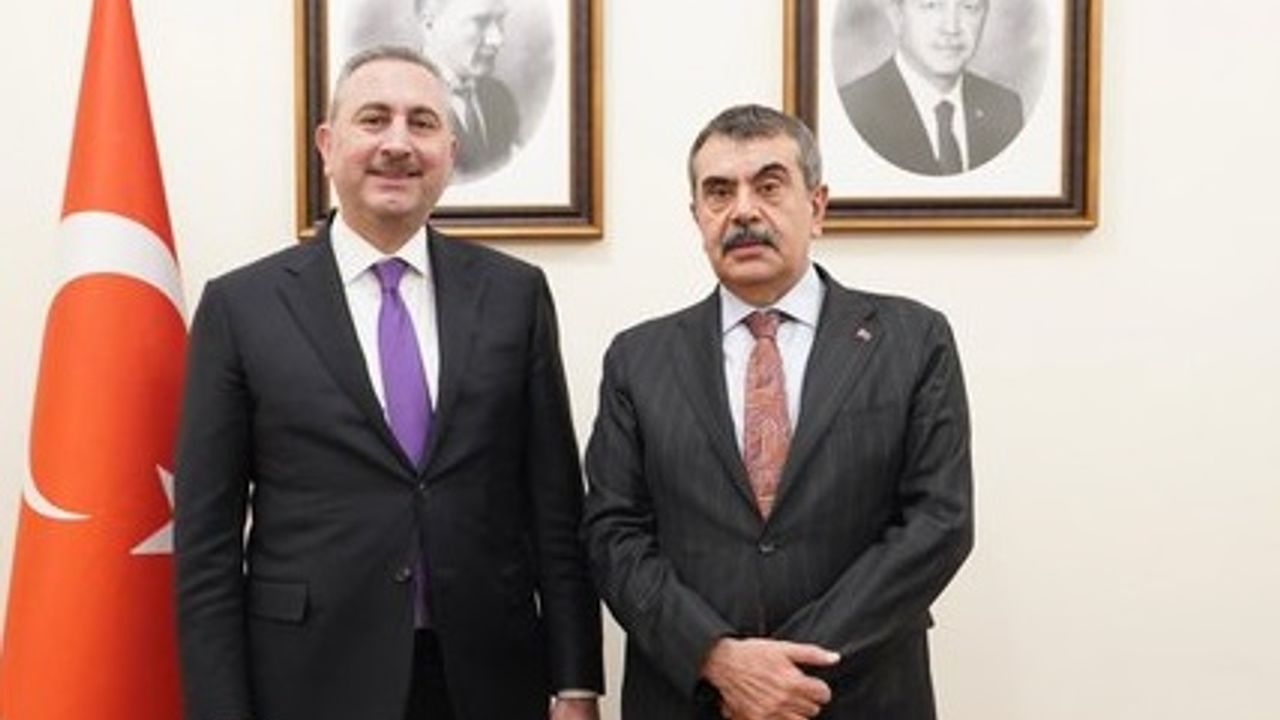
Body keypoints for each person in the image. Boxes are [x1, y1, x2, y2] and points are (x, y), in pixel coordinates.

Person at [174, 46, 602, 720]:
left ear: (449, 153)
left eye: (422, 123)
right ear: (328, 144)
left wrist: (577, 682)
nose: (398, 143)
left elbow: (554, 508)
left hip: (488, 677)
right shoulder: (241, 308)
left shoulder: (514, 296)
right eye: (374, 119)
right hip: (310, 677)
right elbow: (206, 544)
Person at [582, 104, 973, 719]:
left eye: (768, 186)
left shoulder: (913, 339)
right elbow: (613, 533)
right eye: (719, 192)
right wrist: (717, 657)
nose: (743, 211)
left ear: (816, 206)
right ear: (697, 216)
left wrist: (783, 670)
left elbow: (938, 522)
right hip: (694, 697)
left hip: (859, 694)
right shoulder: (638, 358)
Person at [838, 0, 1023, 175]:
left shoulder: (1005, 109)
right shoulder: (854, 111)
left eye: (969, 6)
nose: (951, 28)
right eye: (931, 5)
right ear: (897, 15)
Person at [418, 0, 520, 179]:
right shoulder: (395, 102)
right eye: (480, 22)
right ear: (429, 25)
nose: (497, 40)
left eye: (500, 21)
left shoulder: (500, 99)